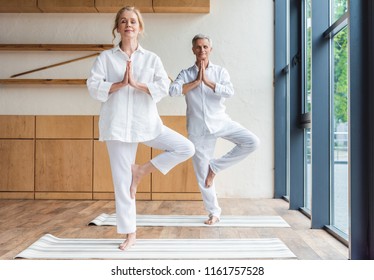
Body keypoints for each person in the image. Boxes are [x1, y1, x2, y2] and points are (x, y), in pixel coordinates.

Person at [87, 6, 195, 250]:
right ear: (117, 28)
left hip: (146, 122)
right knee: (122, 183)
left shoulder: (151, 59)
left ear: (140, 27)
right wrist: (117, 84)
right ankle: (130, 233)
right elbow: (93, 86)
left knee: (186, 148)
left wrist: (137, 84)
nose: (128, 25)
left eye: (133, 21)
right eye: (123, 21)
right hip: (116, 127)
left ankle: (141, 170)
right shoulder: (105, 58)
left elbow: (164, 87)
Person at [169, 34, 260, 225]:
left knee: (252, 142)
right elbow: (173, 91)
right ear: (193, 50)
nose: (202, 50)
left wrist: (208, 82)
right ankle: (214, 213)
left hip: (220, 122)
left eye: (205, 47)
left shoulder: (220, 72)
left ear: (210, 49)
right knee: (202, 175)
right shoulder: (185, 74)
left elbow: (230, 91)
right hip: (198, 129)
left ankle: (215, 166)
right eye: (198, 47)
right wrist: (196, 81)